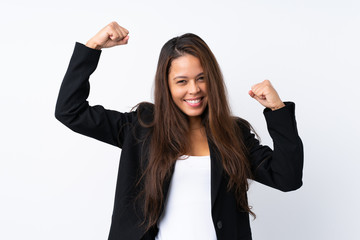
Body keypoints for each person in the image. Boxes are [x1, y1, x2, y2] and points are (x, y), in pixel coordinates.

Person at [55, 21, 303, 240]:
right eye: (182, 81)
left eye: (201, 78)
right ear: (167, 85)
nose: (193, 89)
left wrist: (277, 110)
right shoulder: (141, 128)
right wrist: (92, 48)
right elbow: (70, 111)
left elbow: (287, 178)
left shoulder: (232, 134)